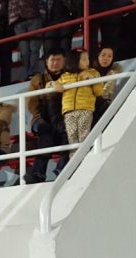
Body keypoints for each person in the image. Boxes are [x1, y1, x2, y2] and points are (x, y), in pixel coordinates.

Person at [25, 51, 67, 184]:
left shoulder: (69, 77)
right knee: (45, 133)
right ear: (46, 62)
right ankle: (38, 173)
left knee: (67, 134)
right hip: (41, 118)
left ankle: (63, 169)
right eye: (52, 60)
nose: (55, 63)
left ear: (64, 61)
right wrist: (40, 117)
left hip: (62, 118)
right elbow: (32, 103)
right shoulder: (38, 79)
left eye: (58, 59)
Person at [54, 49, 103, 146]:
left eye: (88, 59)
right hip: (68, 112)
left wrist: (91, 79)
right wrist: (53, 84)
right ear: (75, 61)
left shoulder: (93, 73)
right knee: (72, 138)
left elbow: (99, 92)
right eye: (84, 59)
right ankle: (75, 159)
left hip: (85, 109)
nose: (87, 62)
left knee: (83, 137)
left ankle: (84, 159)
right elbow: (51, 86)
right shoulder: (65, 76)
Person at [92, 47, 123, 124]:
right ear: (98, 56)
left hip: (104, 105)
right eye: (103, 55)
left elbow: (106, 93)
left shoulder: (114, 70)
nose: (106, 58)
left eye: (109, 56)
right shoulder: (90, 71)